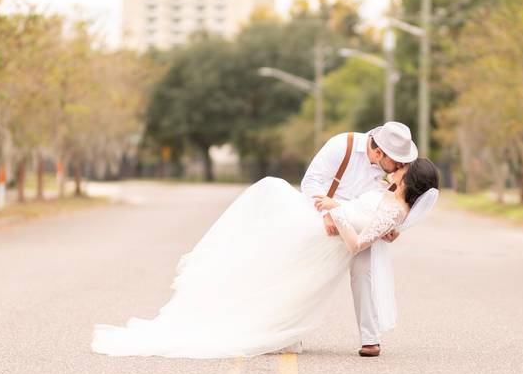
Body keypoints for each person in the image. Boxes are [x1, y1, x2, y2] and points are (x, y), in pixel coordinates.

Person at [90, 148, 440, 359]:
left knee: (273, 218)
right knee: (272, 232)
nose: (399, 169)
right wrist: (337, 206)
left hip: (327, 239)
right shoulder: (387, 195)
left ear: (410, 179)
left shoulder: (395, 210)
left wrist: (336, 212)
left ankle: (260, 323)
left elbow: (358, 243)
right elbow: (366, 216)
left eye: (405, 168)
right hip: (322, 232)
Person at [299, 121, 418, 357]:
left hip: (360, 225)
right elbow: (310, 181)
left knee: (364, 273)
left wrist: (391, 228)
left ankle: (370, 339)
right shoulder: (342, 145)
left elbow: (393, 203)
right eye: (397, 162)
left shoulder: (392, 173)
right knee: (310, 276)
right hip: (325, 219)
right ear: (378, 152)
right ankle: (293, 331)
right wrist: (326, 214)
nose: (400, 167)